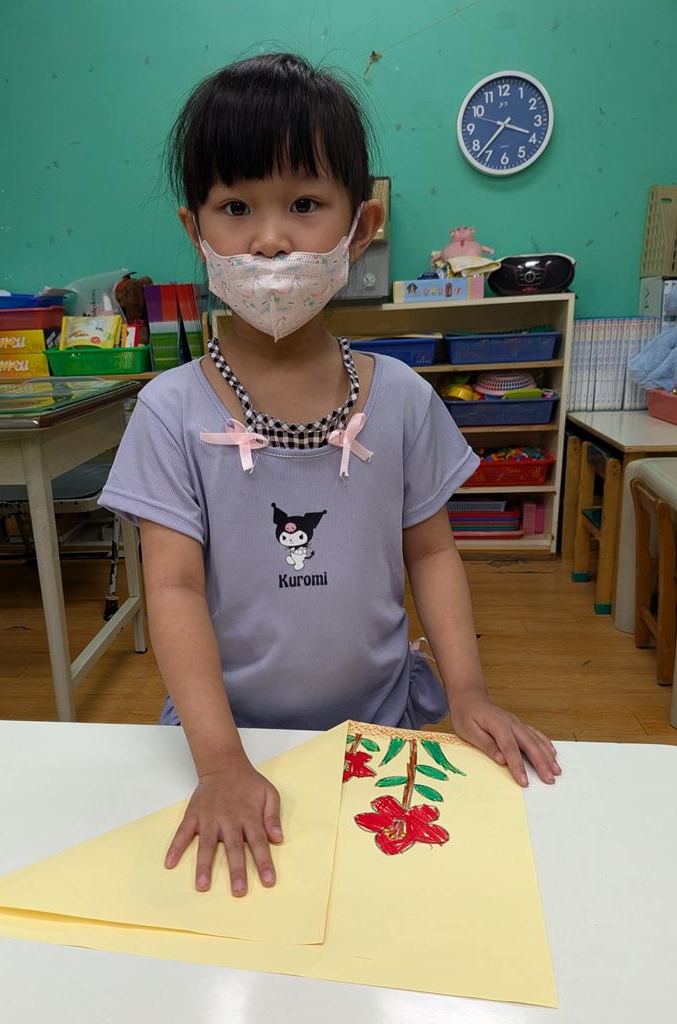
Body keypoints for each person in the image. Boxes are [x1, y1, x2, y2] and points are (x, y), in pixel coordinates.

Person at [99, 51, 561, 899]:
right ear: (195, 231)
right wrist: (221, 762)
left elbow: (432, 555)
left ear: (363, 224)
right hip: (230, 743)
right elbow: (171, 589)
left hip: (387, 731)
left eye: (305, 205)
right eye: (236, 207)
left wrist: (468, 692)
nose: (271, 238)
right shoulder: (169, 411)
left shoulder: (404, 398)